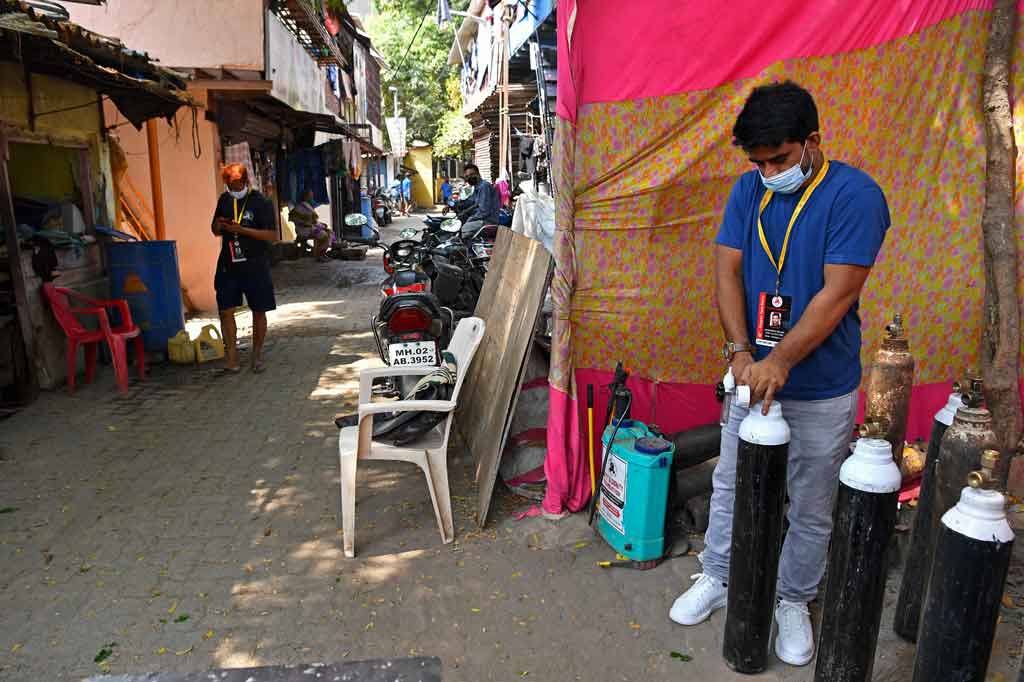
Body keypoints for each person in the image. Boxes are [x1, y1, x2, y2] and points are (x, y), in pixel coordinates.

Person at [669, 81, 890, 667]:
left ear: (813, 143)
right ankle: (718, 575)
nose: (768, 172)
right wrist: (741, 351)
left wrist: (780, 361)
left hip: (821, 386)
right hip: (752, 374)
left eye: (780, 160)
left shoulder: (855, 196)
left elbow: (837, 295)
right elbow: (726, 274)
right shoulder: (748, 191)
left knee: (812, 501)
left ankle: (793, 599)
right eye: (758, 162)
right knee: (730, 484)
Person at [211, 164, 279, 374]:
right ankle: (231, 359)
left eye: (236, 184)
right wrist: (220, 225)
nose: (233, 187)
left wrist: (242, 230)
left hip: (255, 263)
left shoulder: (261, 202)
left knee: (259, 310)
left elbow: (272, 236)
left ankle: (256, 356)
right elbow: (214, 229)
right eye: (229, 184)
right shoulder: (224, 200)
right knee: (225, 311)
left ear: (245, 181)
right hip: (228, 263)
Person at [458, 163, 501, 237]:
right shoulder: (476, 187)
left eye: (472, 174)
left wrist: (471, 219)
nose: (470, 177)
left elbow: (484, 211)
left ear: (478, 174)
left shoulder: (484, 186)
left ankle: (468, 248)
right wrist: (456, 204)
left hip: (489, 221)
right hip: (482, 219)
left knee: (464, 228)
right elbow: (471, 201)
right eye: (467, 176)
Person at [289, 189, 331, 262]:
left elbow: (313, 221)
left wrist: (321, 225)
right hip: (304, 230)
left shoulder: (308, 206)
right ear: (306, 197)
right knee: (324, 235)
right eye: (310, 195)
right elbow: (294, 219)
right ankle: (319, 255)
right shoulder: (300, 207)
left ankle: (322, 253)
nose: (312, 197)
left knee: (330, 233)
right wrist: (309, 224)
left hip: (309, 228)